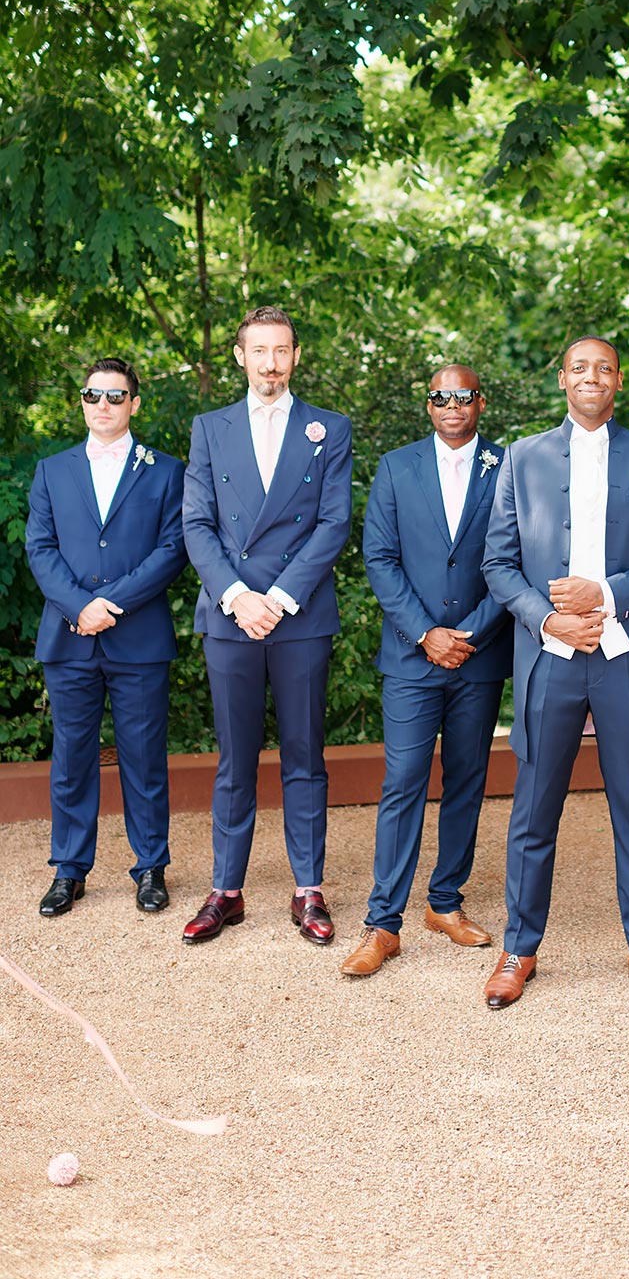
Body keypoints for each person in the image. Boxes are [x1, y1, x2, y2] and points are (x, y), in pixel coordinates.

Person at [480, 337, 629, 1011]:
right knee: (533, 809)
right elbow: (498, 563)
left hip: (626, 656)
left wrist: (604, 592)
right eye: (580, 367)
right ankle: (519, 949)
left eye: (604, 368)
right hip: (551, 659)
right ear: (563, 379)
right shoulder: (523, 456)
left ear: (618, 381)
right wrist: (549, 621)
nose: (592, 377)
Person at [181, 306, 352, 945]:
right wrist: (236, 596)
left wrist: (277, 597)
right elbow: (196, 523)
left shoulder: (328, 428)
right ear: (240, 356)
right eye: (260, 351)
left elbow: (335, 522)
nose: (271, 363)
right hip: (231, 617)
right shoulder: (209, 427)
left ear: (296, 356)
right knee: (235, 758)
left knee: (305, 754)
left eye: (281, 351)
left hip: (298, 615)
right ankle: (227, 889)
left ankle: (308, 889)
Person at [339, 365, 511, 978]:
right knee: (404, 780)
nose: (451, 405)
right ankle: (383, 925)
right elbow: (380, 558)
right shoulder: (396, 466)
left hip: (480, 652)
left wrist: (472, 632)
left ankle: (445, 902)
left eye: (463, 396)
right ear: (428, 404)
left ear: (480, 403)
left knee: (466, 779)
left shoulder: (508, 465)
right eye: (440, 396)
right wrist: (425, 632)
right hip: (413, 655)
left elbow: (515, 556)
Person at [25, 358, 187, 917]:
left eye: (116, 396)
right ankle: (69, 871)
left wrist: (109, 604)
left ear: (134, 404)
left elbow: (173, 550)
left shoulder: (166, 471)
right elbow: (40, 548)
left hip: (137, 636)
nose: (103, 405)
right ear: (82, 401)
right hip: (69, 636)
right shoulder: (52, 470)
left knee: (144, 758)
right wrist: (79, 606)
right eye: (93, 395)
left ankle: (150, 868)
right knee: (71, 756)